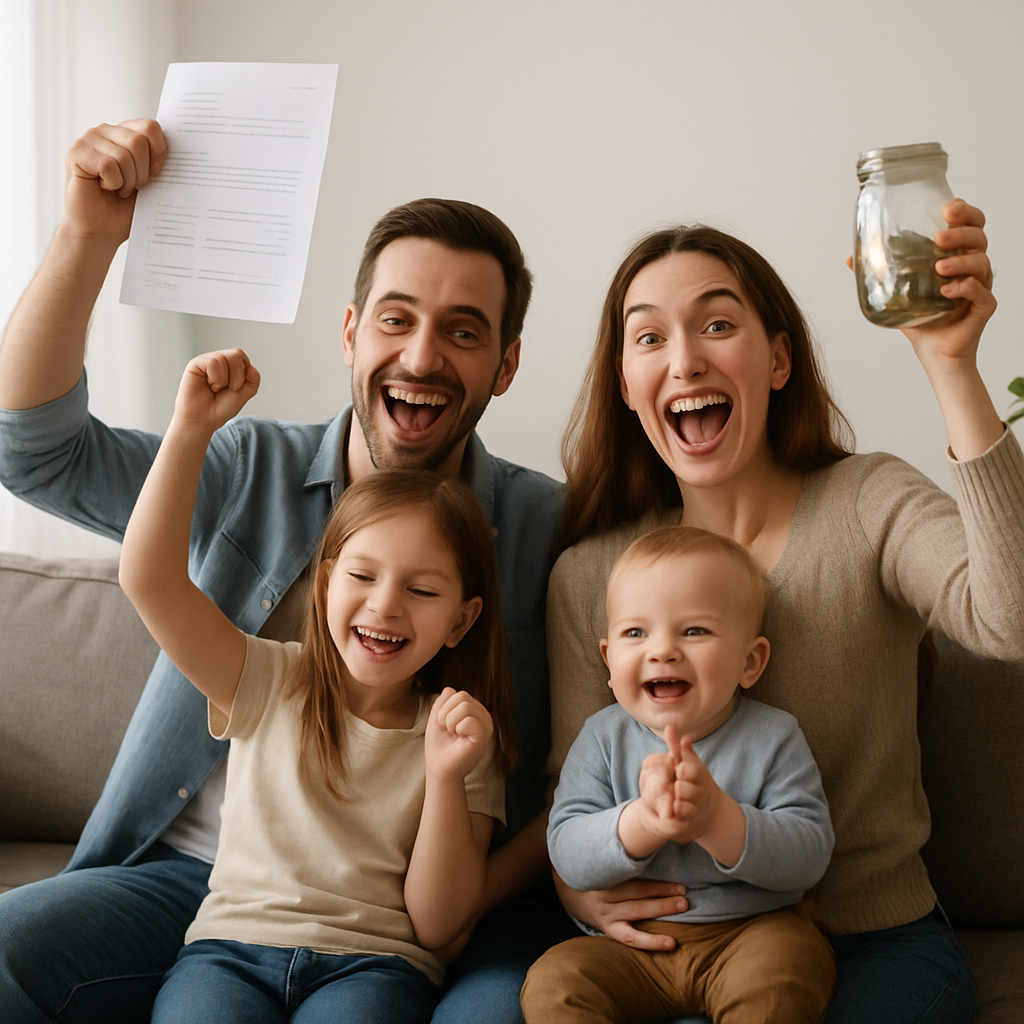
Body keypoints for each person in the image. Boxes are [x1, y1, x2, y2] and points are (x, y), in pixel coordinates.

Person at [0, 119, 571, 1024]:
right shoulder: (244, 465)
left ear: (504, 367)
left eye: (462, 332)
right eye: (395, 318)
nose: (421, 356)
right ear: (350, 334)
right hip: (205, 885)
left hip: (422, 904)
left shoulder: (549, 525)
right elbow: (33, 453)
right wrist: (87, 235)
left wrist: (462, 908)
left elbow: (608, 731)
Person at [546, 206, 1024, 1024]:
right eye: (650, 337)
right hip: (679, 946)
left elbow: (1010, 620)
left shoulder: (871, 501)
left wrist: (952, 367)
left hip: (875, 940)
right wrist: (583, 896)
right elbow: (575, 794)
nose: (686, 358)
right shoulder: (591, 573)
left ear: (776, 359)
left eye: (718, 324)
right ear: (626, 383)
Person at [119, 347, 513, 1022]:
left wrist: (446, 776)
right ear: (325, 585)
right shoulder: (269, 677)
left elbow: (439, 926)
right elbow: (150, 581)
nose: (385, 607)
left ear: (460, 621)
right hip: (230, 951)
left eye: (421, 591)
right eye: (362, 578)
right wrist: (189, 429)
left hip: (376, 966)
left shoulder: (460, 736)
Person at [522, 526, 835, 1024]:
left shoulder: (774, 736)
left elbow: (810, 853)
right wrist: (640, 823)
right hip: (631, 948)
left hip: (751, 933)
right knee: (554, 982)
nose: (661, 650)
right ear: (608, 660)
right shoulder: (603, 739)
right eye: (635, 633)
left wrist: (718, 820)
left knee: (783, 975)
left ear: (749, 662)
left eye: (694, 631)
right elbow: (566, 849)